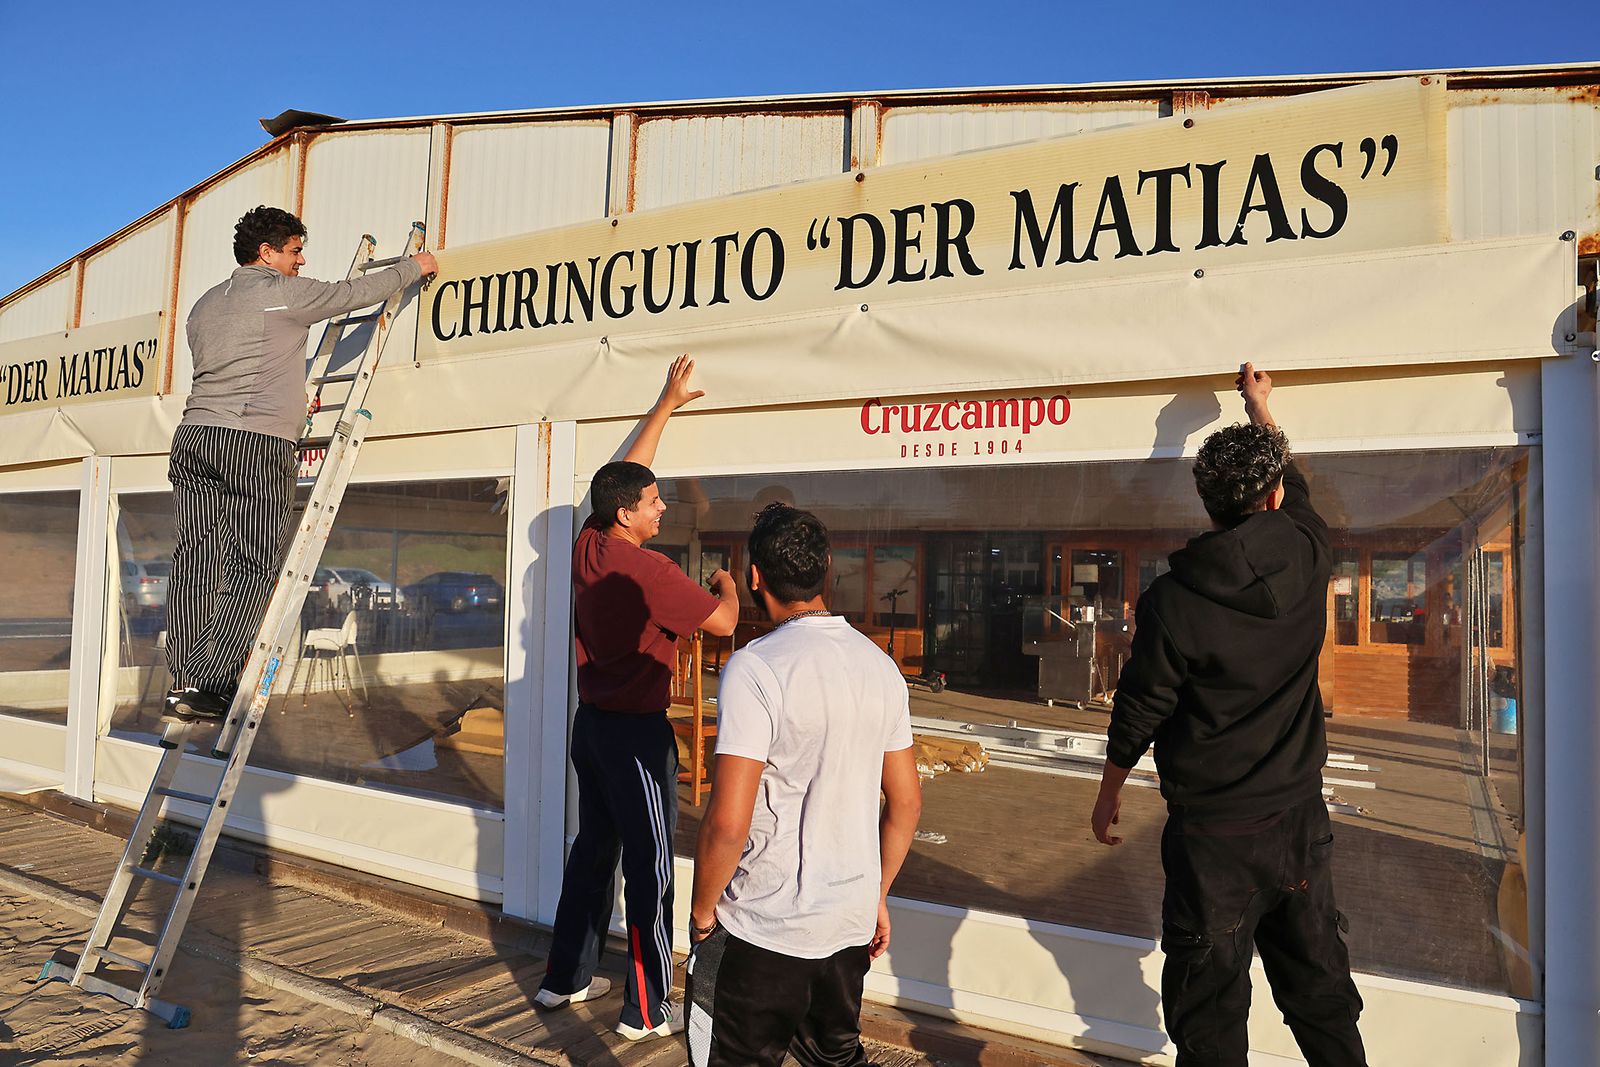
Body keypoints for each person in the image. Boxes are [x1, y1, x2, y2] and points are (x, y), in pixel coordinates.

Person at [1091, 364, 1367, 1067]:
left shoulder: (1175, 600)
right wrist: (1261, 406)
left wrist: (1109, 789)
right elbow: (1295, 484)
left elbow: (1141, 703)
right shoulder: (1309, 549)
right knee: (1323, 995)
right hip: (1300, 827)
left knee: (1210, 1016)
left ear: (1206, 503)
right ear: (1272, 495)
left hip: (1213, 841)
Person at [534, 355, 741, 1041]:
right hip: (632, 737)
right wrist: (726, 584)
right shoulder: (649, 570)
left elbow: (625, 472)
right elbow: (724, 624)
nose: (662, 506)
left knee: (594, 849)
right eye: (653, 502)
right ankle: (647, 1009)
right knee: (651, 866)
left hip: (589, 729)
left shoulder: (590, 542)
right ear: (628, 514)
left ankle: (565, 977)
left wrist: (667, 404)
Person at [163, 206, 436, 723]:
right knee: (253, 562)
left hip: (194, 438)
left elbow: (243, 363)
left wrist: (289, 393)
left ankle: (184, 679)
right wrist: (415, 265)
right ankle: (215, 680)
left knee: (196, 557)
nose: (301, 260)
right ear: (266, 253)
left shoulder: (203, 305)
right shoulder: (281, 293)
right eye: (293, 250)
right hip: (253, 444)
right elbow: (351, 294)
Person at [685, 503, 922, 1067]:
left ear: (755, 578)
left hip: (763, 929)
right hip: (847, 926)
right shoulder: (880, 666)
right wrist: (876, 894)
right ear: (826, 571)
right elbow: (907, 804)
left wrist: (700, 916)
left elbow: (728, 820)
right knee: (836, 1057)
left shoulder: (755, 667)